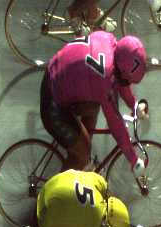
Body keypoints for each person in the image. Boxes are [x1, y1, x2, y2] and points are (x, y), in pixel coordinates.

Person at [42, 31, 149, 174]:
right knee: (82, 152)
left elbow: (121, 80)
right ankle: (66, 178)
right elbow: (115, 123)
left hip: (56, 71)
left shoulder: (109, 39)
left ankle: (82, 157)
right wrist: (133, 159)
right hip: (53, 101)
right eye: (128, 80)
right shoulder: (105, 78)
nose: (128, 83)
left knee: (94, 106)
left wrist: (134, 105)